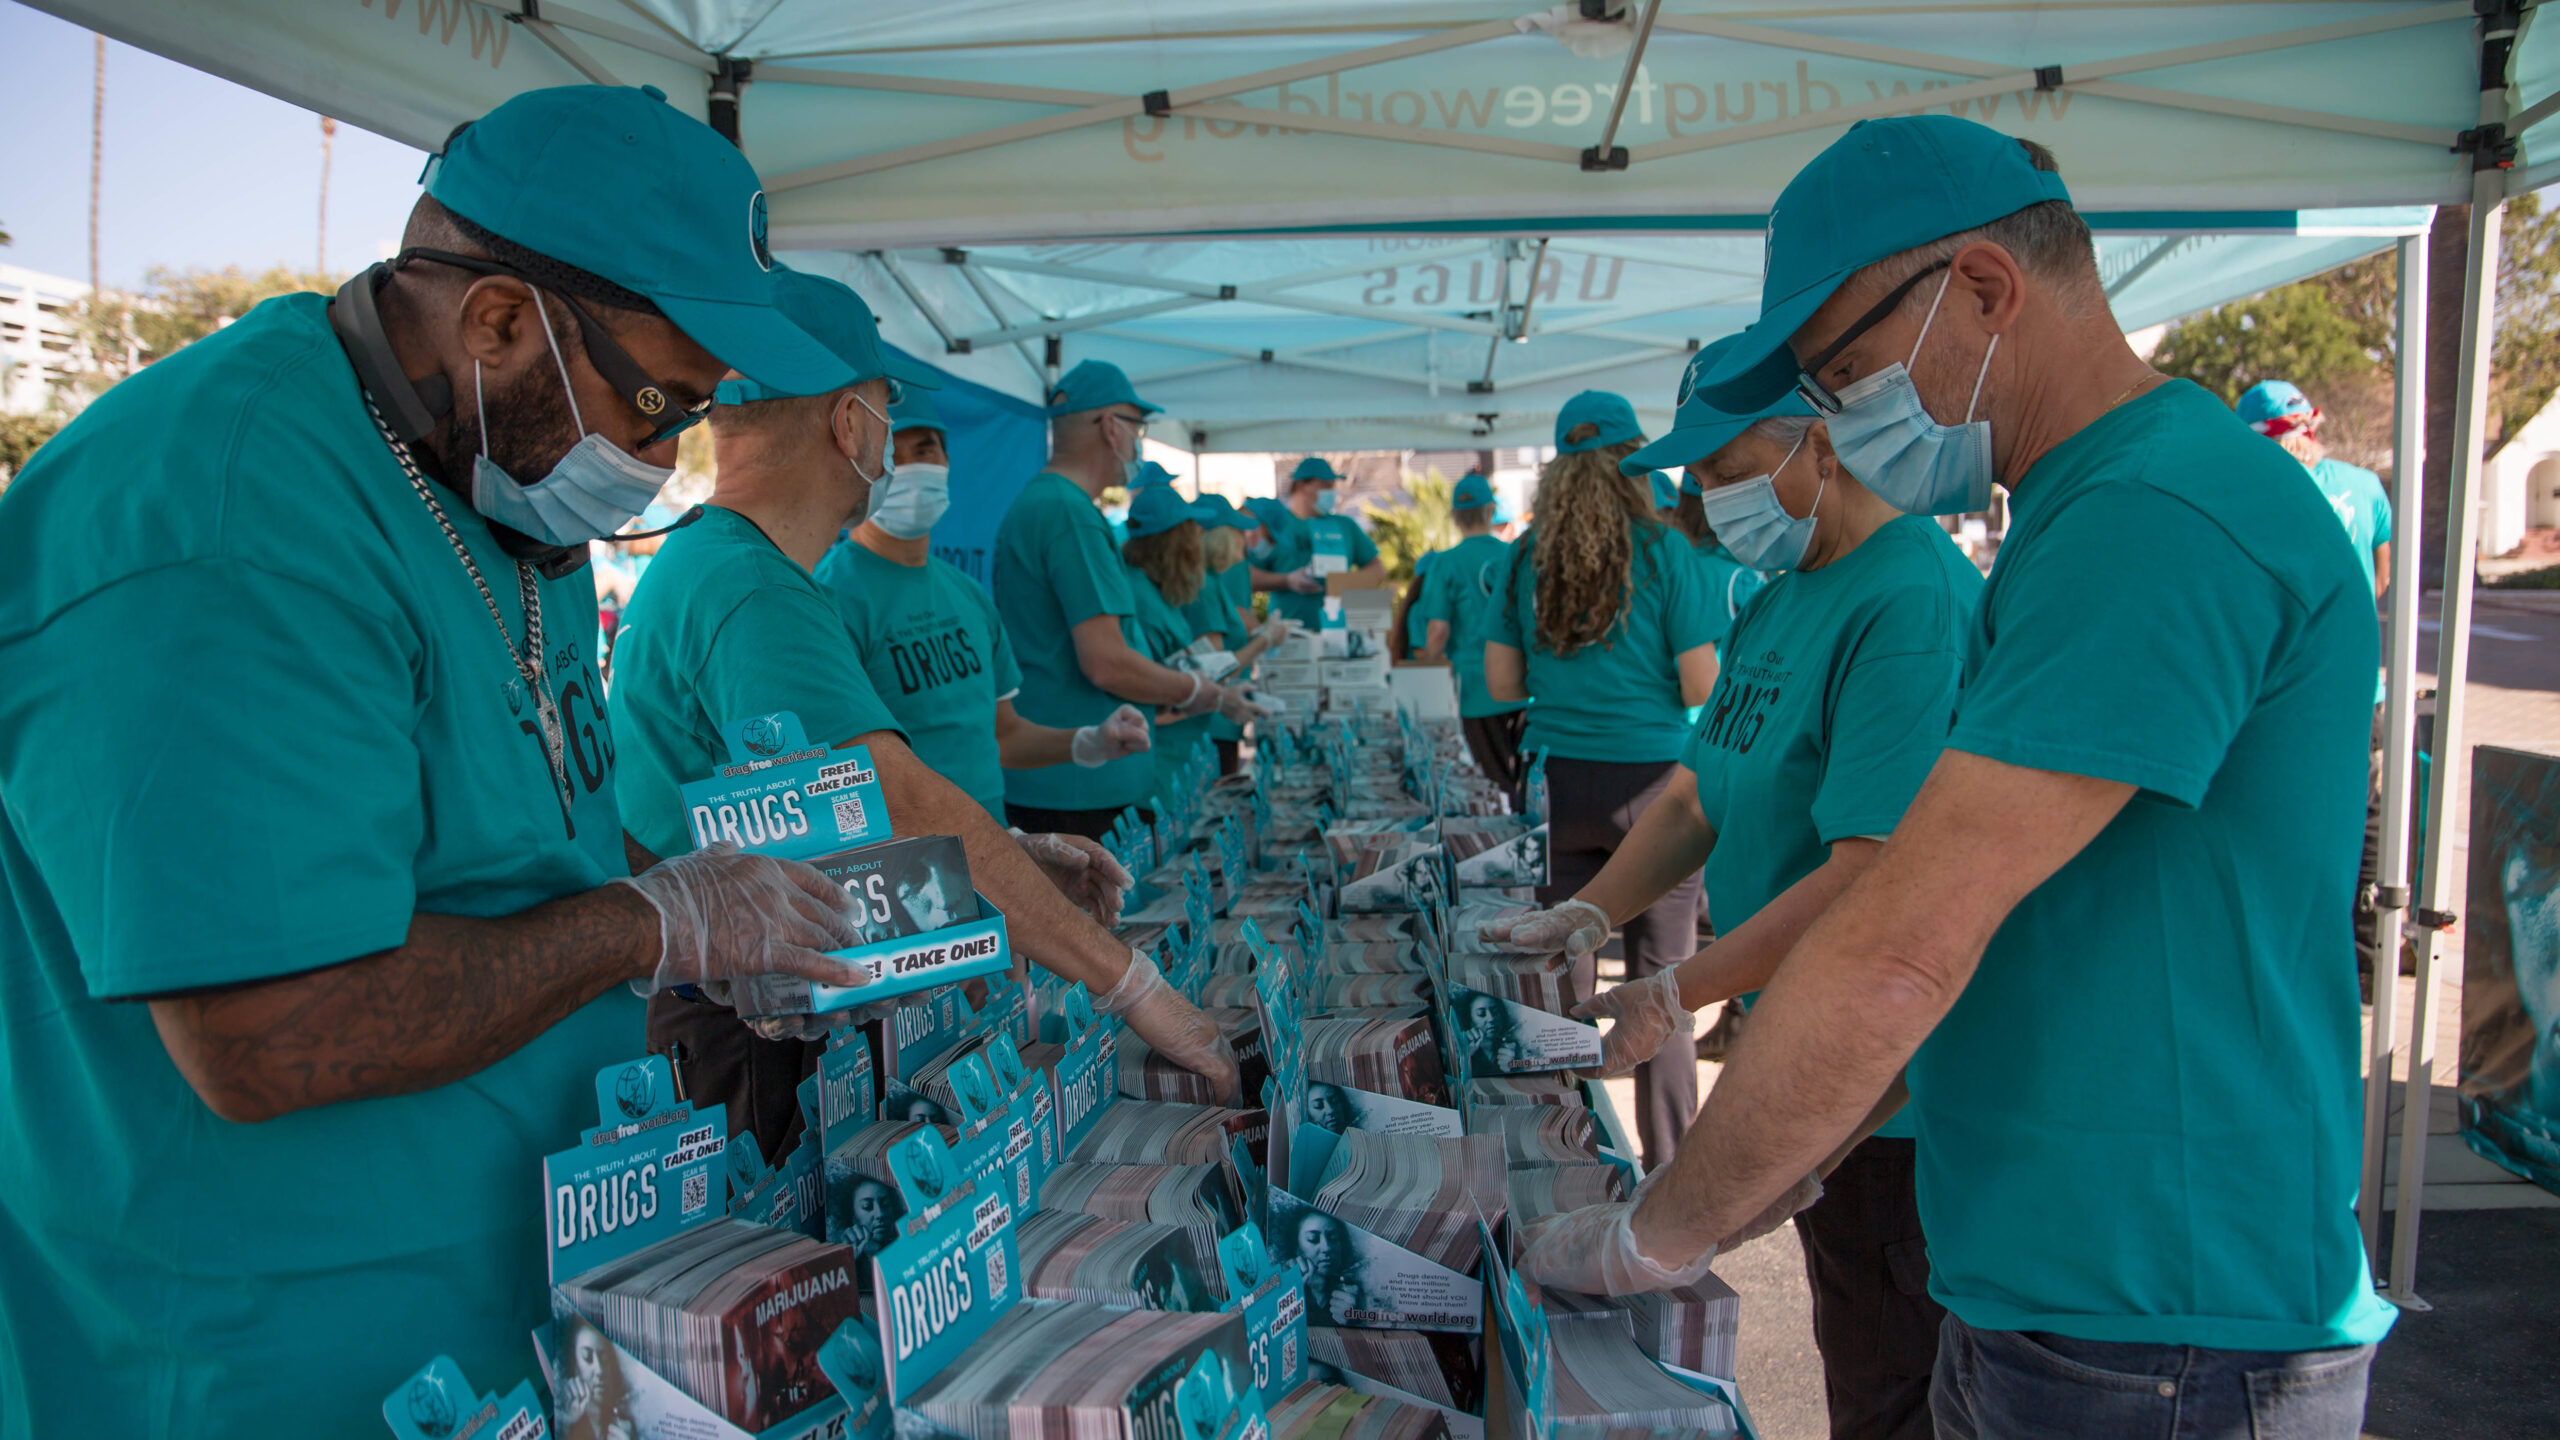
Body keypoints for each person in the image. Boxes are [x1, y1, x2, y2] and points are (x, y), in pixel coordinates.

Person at [0, 84, 904, 1434]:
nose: (661, 463)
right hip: (269, 1355)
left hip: (515, 1309)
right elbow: (272, 1032)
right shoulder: (227, 512)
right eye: (656, 405)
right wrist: (648, 926)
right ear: (495, 321)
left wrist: (727, 915)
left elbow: (539, 838)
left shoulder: (497, 474)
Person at [1522, 116, 2394, 1438]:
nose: (1841, 414)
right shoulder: (2080, 509)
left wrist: (1655, 1232)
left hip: (2159, 1316)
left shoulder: (2152, 515)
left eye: (1851, 368)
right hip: (2060, 1282)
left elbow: (1900, 943)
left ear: (1985, 287)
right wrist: (1771, 1172)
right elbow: (2002, 938)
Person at [610, 279, 1239, 1163]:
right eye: (888, 413)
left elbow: (823, 819)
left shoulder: (721, 565)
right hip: (750, 1029)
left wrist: (1003, 862)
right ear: (850, 423)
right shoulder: (750, 587)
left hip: (767, 995)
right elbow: (894, 797)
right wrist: (1126, 980)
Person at [1490, 338, 1981, 1440]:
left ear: (1819, 436)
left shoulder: (1910, 600)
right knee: (1854, 1346)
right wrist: (1586, 913)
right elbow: (1693, 797)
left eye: (1721, 463)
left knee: (1895, 1377)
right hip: (1798, 1061)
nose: (1699, 493)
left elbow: (1871, 878)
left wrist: (1677, 992)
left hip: (1892, 1102)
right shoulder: (1781, 592)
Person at [1482, 390, 1723, 1169]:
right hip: (1657, 792)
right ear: (1636, 459)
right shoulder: (1666, 552)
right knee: (1665, 989)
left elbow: (1499, 680)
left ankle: (1571, 1166)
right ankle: (1668, 1173)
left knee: (1564, 996)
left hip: (1559, 788)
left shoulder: (1525, 558)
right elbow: (1697, 685)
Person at [814, 385, 1152, 828]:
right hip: (908, 863)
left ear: (948, 462)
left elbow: (1004, 736)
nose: (913, 466)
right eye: (894, 451)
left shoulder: (967, 595)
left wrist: (1090, 742)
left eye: (926, 449)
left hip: (992, 848)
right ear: (863, 459)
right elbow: (834, 772)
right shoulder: (830, 598)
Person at [994, 360, 1262, 838]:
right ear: (1111, 426)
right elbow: (1107, 662)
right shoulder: (1067, 513)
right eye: (1138, 427)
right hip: (1078, 789)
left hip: (1070, 781)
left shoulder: (1047, 505)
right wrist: (1201, 692)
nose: (1139, 441)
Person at [2237, 378, 2398, 993]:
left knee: (2293, 816)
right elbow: (2381, 579)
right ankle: (2364, 954)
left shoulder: (2262, 490)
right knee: (2366, 813)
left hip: (2285, 694)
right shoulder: (2365, 487)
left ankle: (2307, 953)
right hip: (2357, 687)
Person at [1117, 486, 1296, 801]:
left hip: (1180, 757)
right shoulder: (1145, 595)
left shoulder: (1159, 592)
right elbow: (1149, 688)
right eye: (1191, 533)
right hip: (1158, 764)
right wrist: (1218, 696)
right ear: (1175, 540)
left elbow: (1189, 666)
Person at [1412, 472, 1532, 793]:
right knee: (1527, 779)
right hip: (1524, 683)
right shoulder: (1515, 554)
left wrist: (1429, 677)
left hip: (1477, 690)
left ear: (1454, 517)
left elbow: (1437, 631)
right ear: (1491, 510)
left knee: (1496, 783)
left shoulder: (1446, 564)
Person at [1257, 457, 1387, 629]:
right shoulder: (1276, 525)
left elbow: (1377, 569)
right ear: (1302, 486)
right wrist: (1287, 580)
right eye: (1326, 486)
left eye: (1333, 487)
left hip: (1339, 633)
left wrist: (1344, 584)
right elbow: (1247, 576)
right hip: (1290, 636)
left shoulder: (1345, 526)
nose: (1332, 493)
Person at [1186, 491, 1263, 776]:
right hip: (1210, 726)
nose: (1243, 541)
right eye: (1237, 533)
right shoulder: (1203, 587)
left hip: (1220, 722)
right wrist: (1263, 641)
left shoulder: (1213, 581)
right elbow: (1215, 669)